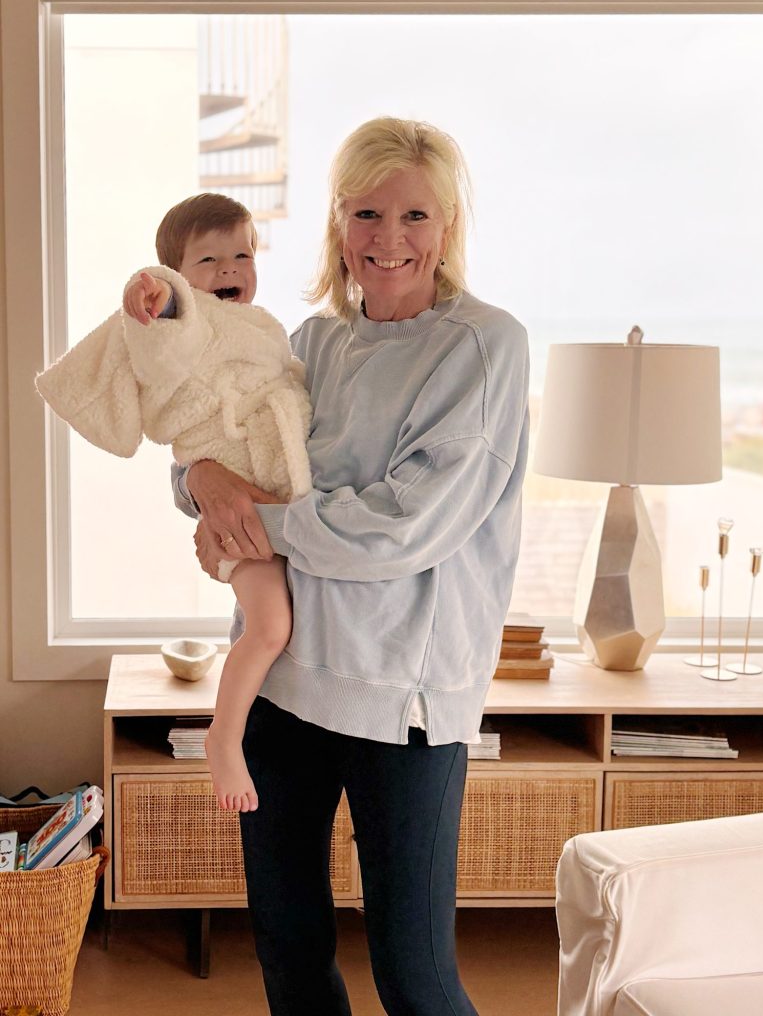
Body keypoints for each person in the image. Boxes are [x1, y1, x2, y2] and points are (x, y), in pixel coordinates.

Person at [174, 116, 530, 1016]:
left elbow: (403, 528)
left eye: (415, 214)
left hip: (401, 701)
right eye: (366, 212)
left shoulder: (484, 346)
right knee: (288, 955)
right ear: (338, 223)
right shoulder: (315, 341)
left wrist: (248, 515)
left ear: (447, 226)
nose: (389, 238)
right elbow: (227, 441)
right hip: (281, 689)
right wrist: (202, 479)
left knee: (414, 974)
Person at [36, 193, 313, 813]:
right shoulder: (183, 321)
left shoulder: (265, 328)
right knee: (271, 624)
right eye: (208, 260)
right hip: (237, 526)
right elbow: (163, 324)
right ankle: (224, 736)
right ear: (180, 274)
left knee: (289, 626)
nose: (228, 271)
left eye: (241, 254)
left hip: (281, 507)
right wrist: (153, 300)